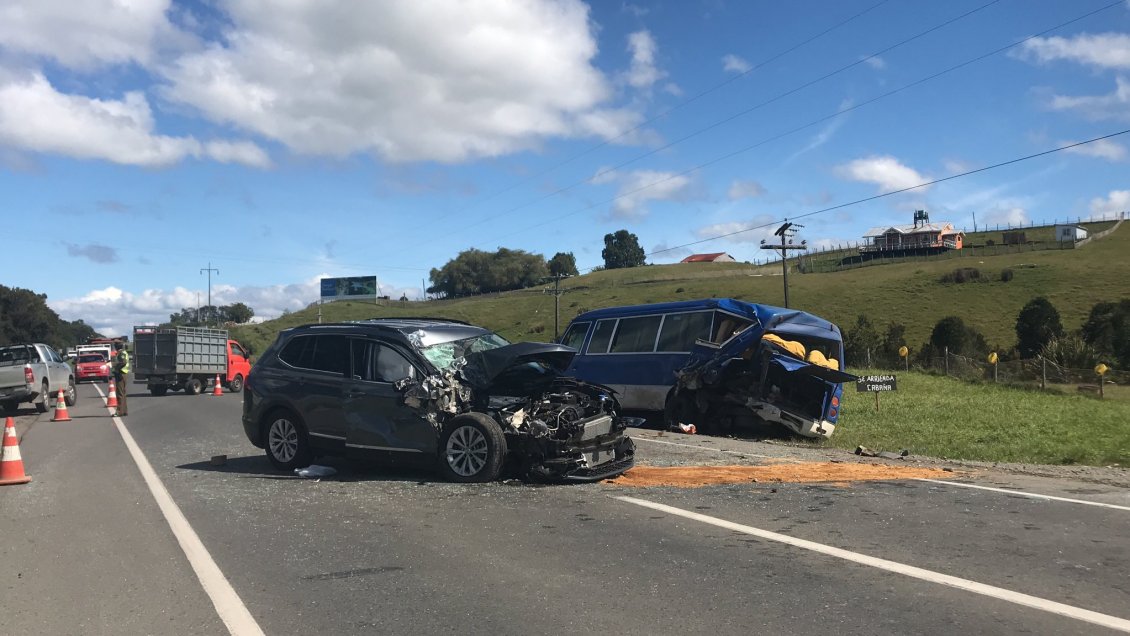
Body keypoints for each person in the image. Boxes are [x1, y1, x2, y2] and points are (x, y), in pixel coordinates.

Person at [112, 342, 130, 416]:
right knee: (123, 393)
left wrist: (115, 367)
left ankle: (119, 411)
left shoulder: (121, 353)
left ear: (116, 346)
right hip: (124, 373)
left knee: (119, 393)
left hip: (121, 373)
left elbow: (123, 362)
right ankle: (124, 410)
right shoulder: (124, 352)